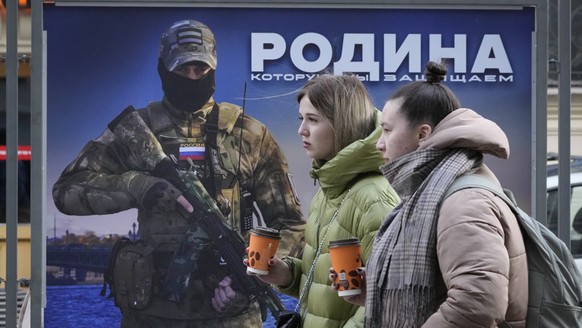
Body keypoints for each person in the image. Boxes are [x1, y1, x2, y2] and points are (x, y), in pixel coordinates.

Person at [52, 19, 305, 328]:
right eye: (183, 69)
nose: (193, 77)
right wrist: (137, 186)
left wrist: (251, 278)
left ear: (213, 69)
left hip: (232, 316)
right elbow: (67, 190)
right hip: (151, 316)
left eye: (201, 69)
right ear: (163, 69)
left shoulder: (248, 134)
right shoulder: (138, 132)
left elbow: (290, 224)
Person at [336, 61, 528, 327]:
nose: (380, 143)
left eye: (388, 130)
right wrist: (376, 288)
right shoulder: (431, 192)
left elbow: (477, 304)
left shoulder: (465, 201)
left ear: (422, 133)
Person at [244, 73, 400, 327]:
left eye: (313, 120)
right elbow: (326, 290)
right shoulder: (328, 192)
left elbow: (388, 299)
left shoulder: (375, 197)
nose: (301, 130)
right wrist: (288, 275)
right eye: (301, 118)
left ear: (342, 124)